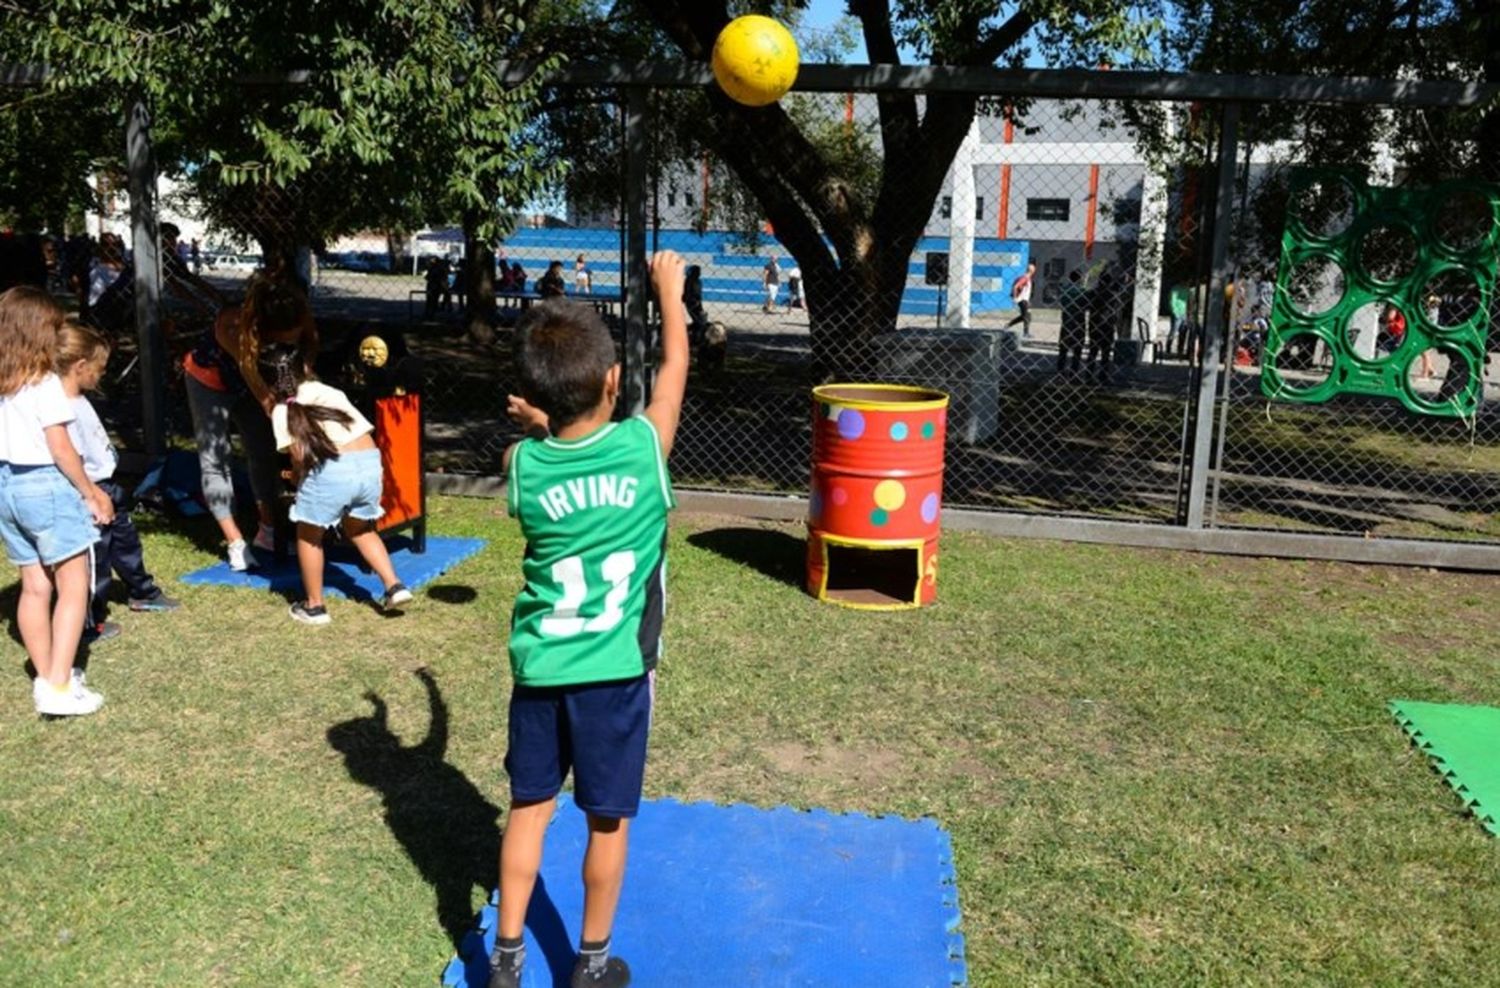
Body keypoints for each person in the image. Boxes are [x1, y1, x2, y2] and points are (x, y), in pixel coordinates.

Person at [487, 251, 689, 988]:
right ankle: (592, 964)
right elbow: (672, 375)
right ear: (612, 382)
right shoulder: (644, 447)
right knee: (608, 821)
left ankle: (505, 961)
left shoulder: (523, 465)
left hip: (540, 669)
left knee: (528, 809)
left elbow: (541, 449)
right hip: (613, 677)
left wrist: (542, 425)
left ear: (535, 399)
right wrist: (670, 297)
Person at [0, 287, 113, 716]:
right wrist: (92, 491)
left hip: (7, 486)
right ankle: (61, 686)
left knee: (33, 586)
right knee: (73, 586)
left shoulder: (4, 383)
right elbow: (62, 449)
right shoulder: (45, 384)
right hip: (45, 485)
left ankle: (47, 676)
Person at [259, 344, 412, 625]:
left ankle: (314, 607)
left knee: (308, 535)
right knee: (360, 529)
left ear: (267, 382)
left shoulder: (283, 410)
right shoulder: (329, 392)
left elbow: (299, 459)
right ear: (304, 367)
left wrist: (296, 478)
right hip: (369, 464)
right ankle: (394, 586)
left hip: (332, 471)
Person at [54, 321, 180, 643]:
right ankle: (86, 622)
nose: (102, 375)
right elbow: (72, 461)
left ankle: (143, 591)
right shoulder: (61, 409)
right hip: (90, 493)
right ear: (80, 367)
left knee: (125, 543)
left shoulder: (78, 399)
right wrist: (94, 495)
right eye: (100, 369)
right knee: (94, 558)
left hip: (108, 487)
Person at [184, 270, 317, 571]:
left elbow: (307, 355)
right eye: (282, 341)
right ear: (265, 331)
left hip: (250, 382)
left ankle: (268, 531)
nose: (289, 344)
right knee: (215, 457)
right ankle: (235, 542)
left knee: (261, 452)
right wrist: (287, 416)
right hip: (210, 380)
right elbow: (259, 387)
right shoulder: (233, 325)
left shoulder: (299, 314)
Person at [1056, 269, 1088, 375]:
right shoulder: (1083, 292)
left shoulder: (1064, 290)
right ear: (1080, 279)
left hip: (1066, 320)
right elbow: (1086, 306)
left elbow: (1062, 302)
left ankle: (1060, 370)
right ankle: (1074, 370)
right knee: (1078, 348)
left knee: (1063, 348)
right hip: (1079, 320)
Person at [1006, 261, 1036, 337]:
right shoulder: (1025, 278)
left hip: (1025, 300)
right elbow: (1016, 286)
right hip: (1022, 300)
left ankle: (1009, 325)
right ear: (1032, 271)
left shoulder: (1027, 278)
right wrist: (1015, 298)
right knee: (1027, 316)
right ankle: (1026, 333)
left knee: (1025, 316)